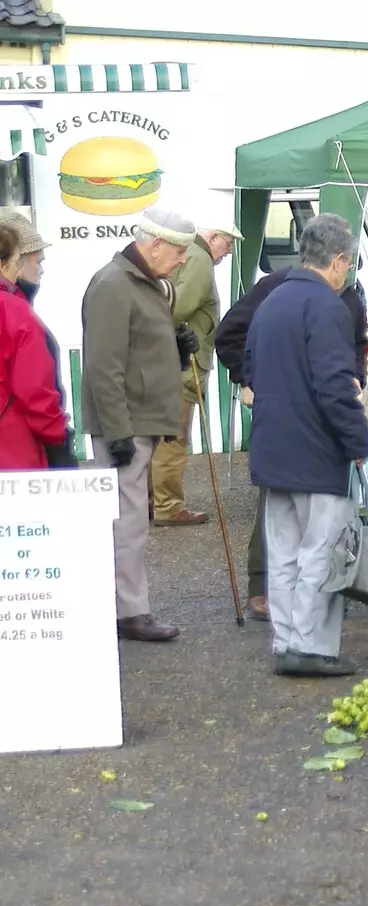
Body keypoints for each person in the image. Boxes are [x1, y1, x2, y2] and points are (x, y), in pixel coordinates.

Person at [245, 214, 368, 677]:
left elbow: (251, 371)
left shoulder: (272, 301)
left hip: (272, 446)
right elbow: (336, 386)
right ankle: (313, 647)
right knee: (322, 550)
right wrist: (359, 442)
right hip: (316, 449)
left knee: (283, 553)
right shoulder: (326, 307)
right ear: (339, 261)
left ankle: (286, 642)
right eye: (349, 265)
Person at [218, 264, 368, 622]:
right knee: (280, 505)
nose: (348, 270)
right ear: (334, 259)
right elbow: (229, 334)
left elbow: (358, 343)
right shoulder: (276, 287)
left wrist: (357, 378)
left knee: (320, 518)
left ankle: (316, 600)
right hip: (286, 414)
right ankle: (265, 590)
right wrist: (249, 379)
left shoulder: (349, 294)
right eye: (346, 263)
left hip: (326, 417)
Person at [81, 209, 197, 643]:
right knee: (126, 523)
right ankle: (129, 612)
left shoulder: (150, 284)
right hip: (125, 423)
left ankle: (127, 608)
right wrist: (116, 432)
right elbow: (102, 366)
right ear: (155, 245)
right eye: (180, 251)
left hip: (137, 419)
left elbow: (141, 351)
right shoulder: (113, 285)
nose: (184, 259)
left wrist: (177, 350)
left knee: (130, 521)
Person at [150, 222, 238, 527]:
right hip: (184, 363)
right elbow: (180, 305)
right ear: (212, 238)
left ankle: (154, 500)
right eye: (227, 245)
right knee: (173, 435)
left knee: (160, 434)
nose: (228, 254)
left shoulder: (192, 257)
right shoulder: (200, 259)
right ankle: (168, 505)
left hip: (170, 359)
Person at [0, 213, 74, 468]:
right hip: (15, 451)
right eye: (35, 261)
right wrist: (58, 441)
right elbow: (34, 392)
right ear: (11, 261)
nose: (40, 269)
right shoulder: (15, 313)